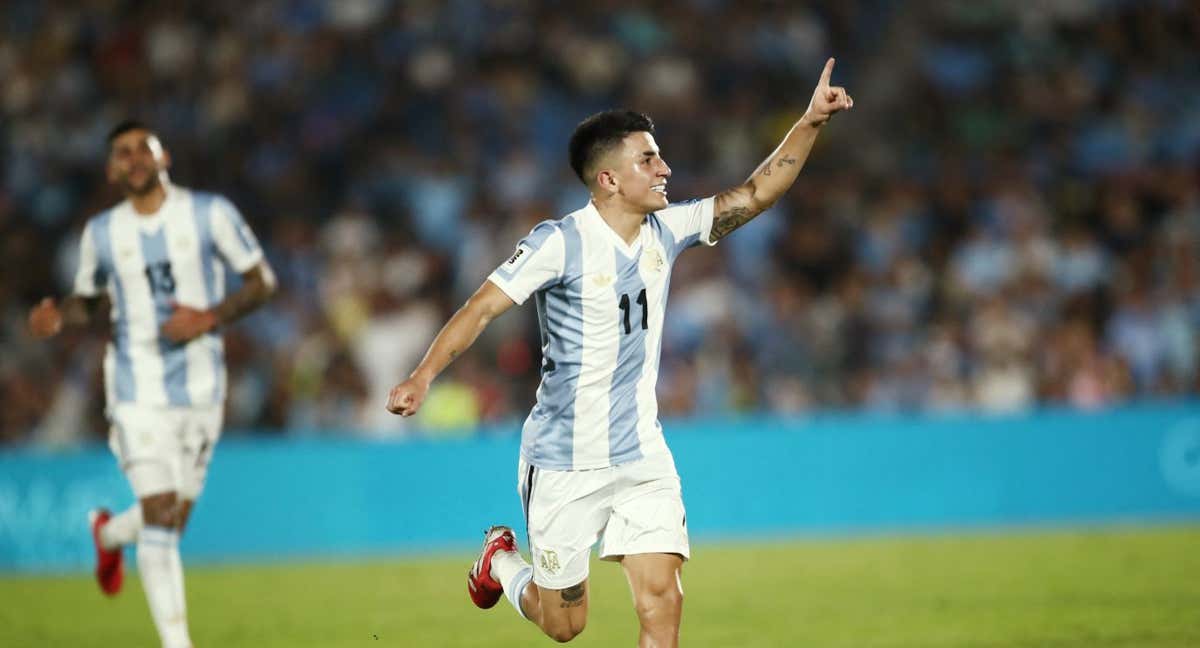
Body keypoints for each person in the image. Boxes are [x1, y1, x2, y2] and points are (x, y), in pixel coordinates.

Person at [387, 59, 852, 646]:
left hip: (641, 452)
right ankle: (500, 564)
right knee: (564, 625)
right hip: (563, 460)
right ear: (608, 179)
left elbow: (756, 193)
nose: (666, 169)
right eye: (649, 159)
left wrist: (810, 121)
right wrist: (423, 377)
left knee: (662, 601)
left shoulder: (669, 229)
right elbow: (480, 307)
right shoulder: (558, 243)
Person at [28, 121, 277, 648]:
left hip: (203, 387)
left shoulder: (210, 214)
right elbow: (90, 299)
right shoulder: (102, 233)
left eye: (144, 147)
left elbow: (263, 282)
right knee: (161, 512)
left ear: (165, 158)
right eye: (122, 151)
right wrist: (61, 315)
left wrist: (208, 318)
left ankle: (111, 533)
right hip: (135, 387)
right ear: (110, 168)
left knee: (171, 518)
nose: (134, 158)